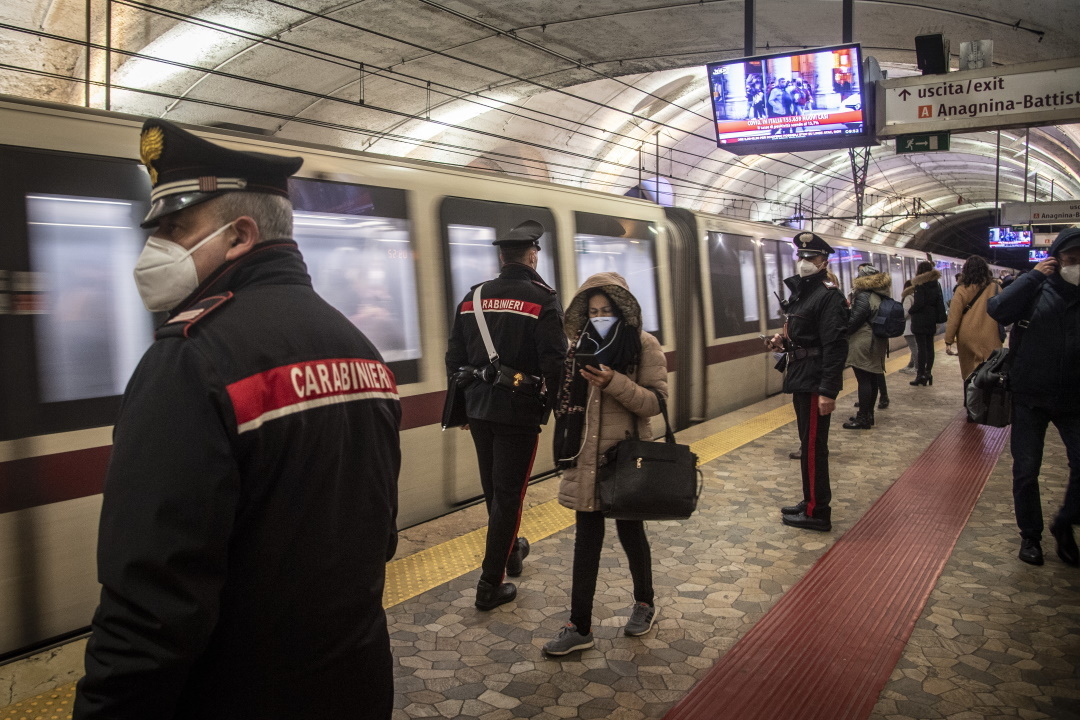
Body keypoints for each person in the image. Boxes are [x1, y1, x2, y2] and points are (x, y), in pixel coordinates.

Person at [74, 120, 401, 719]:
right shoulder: (360, 348)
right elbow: (378, 538)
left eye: (176, 228)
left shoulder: (190, 360)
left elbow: (152, 606)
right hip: (356, 683)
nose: (156, 249)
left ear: (240, 235)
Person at [542, 273, 667, 656]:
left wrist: (613, 381)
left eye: (606, 311)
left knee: (632, 534)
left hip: (625, 458)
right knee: (586, 542)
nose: (599, 317)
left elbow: (655, 403)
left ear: (621, 311)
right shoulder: (577, 348)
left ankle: (644, 602)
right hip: (585, 457)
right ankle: (579, 625)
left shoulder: (643, 346)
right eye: (593, 311)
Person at [445, 221, 567, 610]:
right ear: (532, 255)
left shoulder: (473, 298)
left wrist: (464, 407)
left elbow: (455, 358)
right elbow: (555, 363)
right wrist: (555, 412)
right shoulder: (542, 299)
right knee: (510, 496)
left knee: (495, 492)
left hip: (479, 410)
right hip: (519, 413)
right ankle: (489, 583)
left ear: (501, 257)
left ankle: (511, 552)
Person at [987, 227, 1080, 568]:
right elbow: (997, 310)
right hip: (1030, 395)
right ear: (1054, 261)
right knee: (1026, 470)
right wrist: (1031, 277)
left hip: (1075, 398)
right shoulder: (1035, 288)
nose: (1076, 266)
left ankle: (1065, 522)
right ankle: (1031, 536)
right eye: (1070, 260)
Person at [765, 232, 848, 532]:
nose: (804, 263)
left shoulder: (828, 295)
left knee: (813, 447)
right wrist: (783, 341)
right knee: (808, 443)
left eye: (811, 257)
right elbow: (804, 332)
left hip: (814, 381)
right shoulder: (806, 292)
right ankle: (810, 500)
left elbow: (835, 345)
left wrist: (828, 390)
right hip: (802, 376)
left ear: (825, 261)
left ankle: (817, 512)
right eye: (801, 257)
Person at [843, 264, 891, 430]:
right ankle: (868, 415)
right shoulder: (881, 294)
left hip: (864, 341)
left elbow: (855, 320)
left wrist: (843, 330)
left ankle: (863, 417)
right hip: (876, 341)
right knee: (871, 380)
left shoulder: (864, 296)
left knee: (864, 380)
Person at [944, 255, 1003, 380]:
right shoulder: (996, 287)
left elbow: (954, 317)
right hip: (991, 334)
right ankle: (989, 398)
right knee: (991, 370)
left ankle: (971, 397)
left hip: (967, 336)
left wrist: (948, 340)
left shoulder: (961, 290)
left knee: (970, 373)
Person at [905, 260, 946, 386]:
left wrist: (911, 310)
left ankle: (920, 375)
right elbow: (939, 302)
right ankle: (928, 373)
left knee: (921, 348)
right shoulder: (936, 284)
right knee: (930, 347)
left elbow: (919, 303)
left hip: (920, 320)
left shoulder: (920, 284)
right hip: (931, 319)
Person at [899, 279, 918, 375]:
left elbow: (905, 313)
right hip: (915, 325)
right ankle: (911, 364)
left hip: (908, 326)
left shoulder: (908, 297)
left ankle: (916, 367)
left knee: (914, 348)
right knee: (915, 347)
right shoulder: (916, 296)